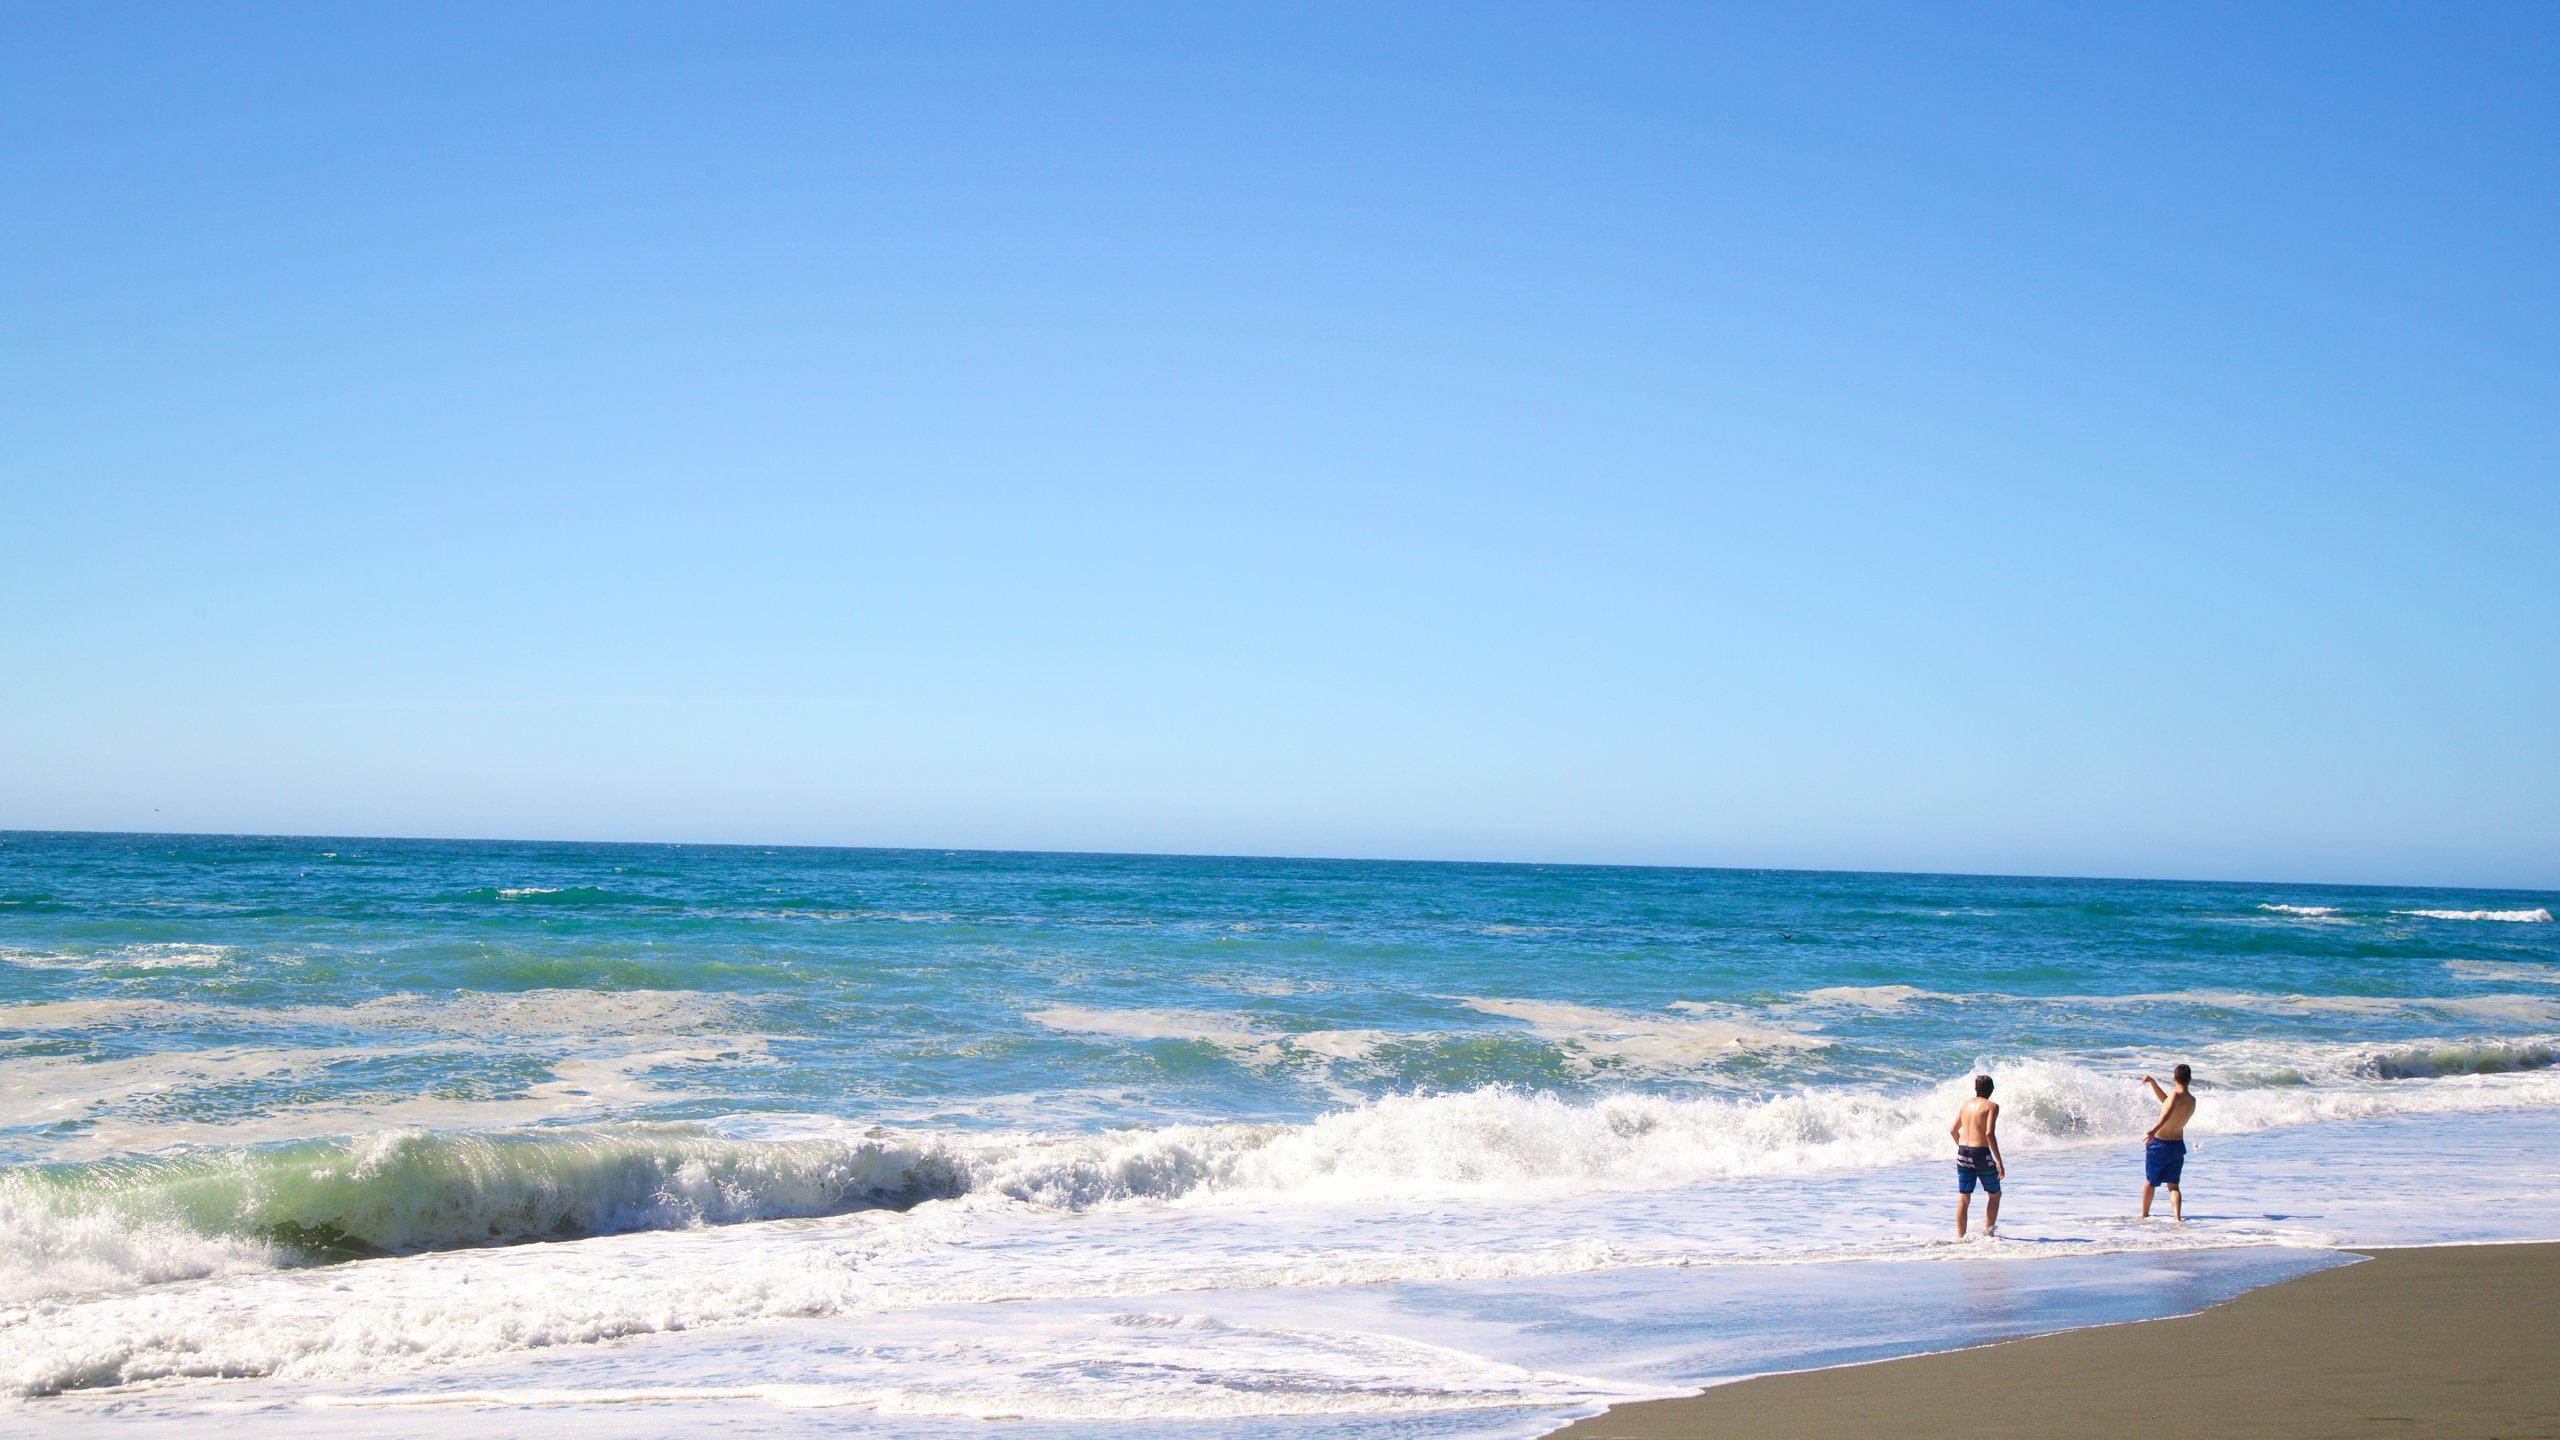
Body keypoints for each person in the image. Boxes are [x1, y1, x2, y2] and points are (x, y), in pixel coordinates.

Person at [2139, 1064, 2196, 1220]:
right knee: (2173, 1185)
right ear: (2189, 1079)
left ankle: (2144, 1215)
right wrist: (2153, 1083)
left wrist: (2153, 1130)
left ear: (2174, 1077)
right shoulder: (2191, 1100)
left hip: (2160, 1144)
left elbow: (2167, 1114)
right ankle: (2177, 1218)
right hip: (2177, 1145)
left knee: (2150, 1181)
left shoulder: (2174, 1096)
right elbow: (2167, 1103)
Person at [1950, 1073, 2004, 1238]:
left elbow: (1953, 1130)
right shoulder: (1992, 1106)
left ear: (1976, 1088)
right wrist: (1999, 1161)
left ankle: (1960, 1238)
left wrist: (1963, 1148)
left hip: (1963, 1152)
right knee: (1994, 1194)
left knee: (1964, 1198)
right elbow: (1989, 1133)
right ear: (1992, 1089)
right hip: (1981, 1153)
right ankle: (1988, 1235)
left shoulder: (1966, 1105)